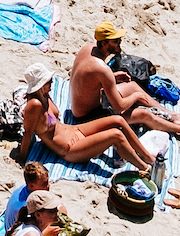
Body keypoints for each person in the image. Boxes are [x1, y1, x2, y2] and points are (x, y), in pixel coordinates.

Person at [12, 64, 155, 173]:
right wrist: (23, 158)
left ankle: (148, 157)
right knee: (116, 135)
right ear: (41, 85)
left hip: (74, 130)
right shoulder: (34, 105)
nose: (52, 83)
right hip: (69, 148)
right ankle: (145, 169)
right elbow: (28, 133)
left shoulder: (44, 95)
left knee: (118, 120)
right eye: (49, 81)